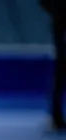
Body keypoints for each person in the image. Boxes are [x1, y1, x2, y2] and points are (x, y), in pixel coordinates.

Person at [41, 0, 66, 130]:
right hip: (60, 21)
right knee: (61, 67)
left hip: (59, 18)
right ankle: (56, 117)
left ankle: (56, 117)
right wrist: (58, 13)